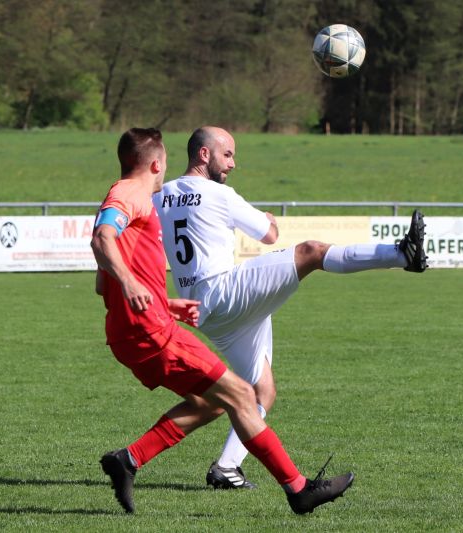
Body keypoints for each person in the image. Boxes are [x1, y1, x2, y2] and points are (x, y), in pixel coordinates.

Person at [91, 127, 354, 515]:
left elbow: (103, 285)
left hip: (129, 332)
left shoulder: (133, 201)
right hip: (151, 333)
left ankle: (128, 460)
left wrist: (164, 303)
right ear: (156, 164)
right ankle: (299, 491)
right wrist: (133, 287)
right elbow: (102, 238)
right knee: (245, 395)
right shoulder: (131, 194)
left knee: (210, 402)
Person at [153, 126, 427, 490]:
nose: (233, 164)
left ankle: (226, 468)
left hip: (201, 311)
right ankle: (402, 255)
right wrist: (268, 218)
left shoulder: (161, 195)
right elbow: (269, 235)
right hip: (225, 291)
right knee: (311, 252)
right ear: (204, 154)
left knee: (262, 390)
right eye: (228, 155)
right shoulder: (218, 193)